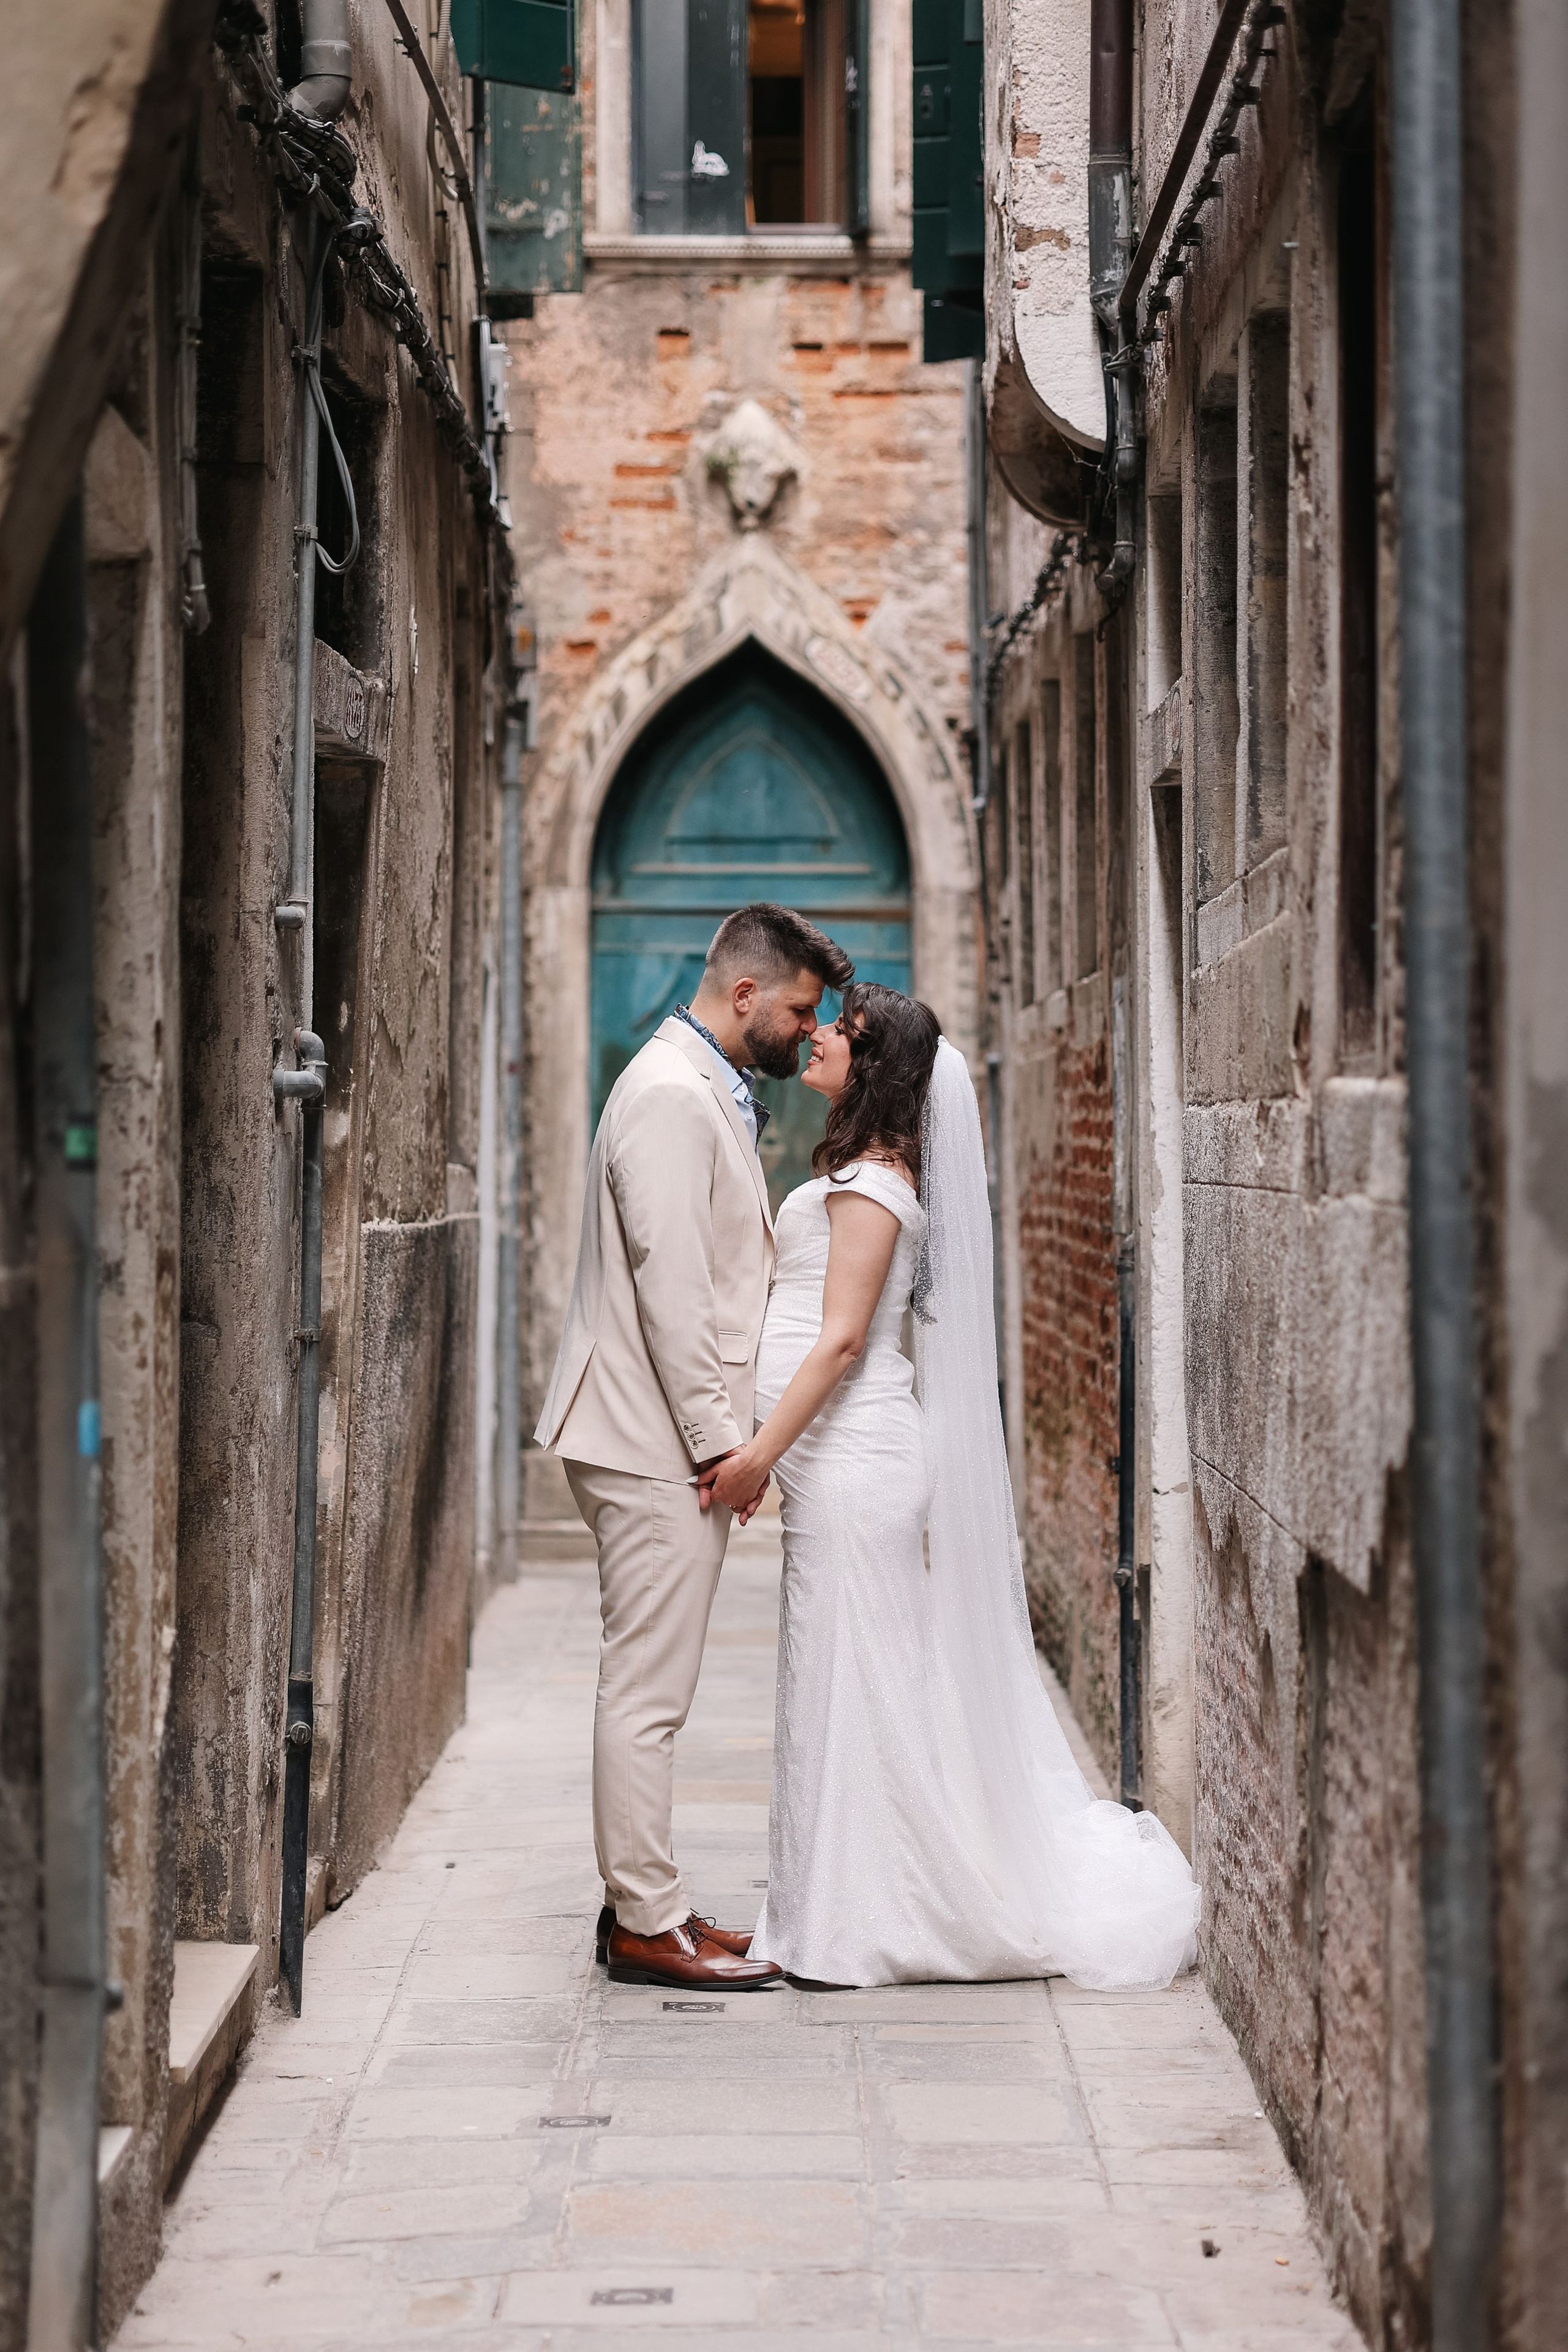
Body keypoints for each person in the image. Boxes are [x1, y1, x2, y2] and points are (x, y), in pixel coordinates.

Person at [706, 984, 1200, 1989]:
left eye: (840, 1031)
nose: (818, 1036)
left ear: (875, 1066)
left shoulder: (873, 1187)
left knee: (861, 1683)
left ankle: (872, 1919)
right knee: (838, 1677)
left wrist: (758, 1455)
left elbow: (843, 1341)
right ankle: (824, 1909)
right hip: (837, 1461)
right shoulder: (865, 1172)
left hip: (856, 1462)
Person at [536, 902, 854, 1991]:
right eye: (799, 1011)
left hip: (651, 1431)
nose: (807, 1031)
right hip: (648, 1438)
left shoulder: (696, 1085)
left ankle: (649, 1901)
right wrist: (725, 1446)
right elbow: (672, 1287)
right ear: (745, 993)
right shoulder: (673, 1094)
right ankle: (645, 1924)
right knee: (648, 1692)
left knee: (650, 1684)